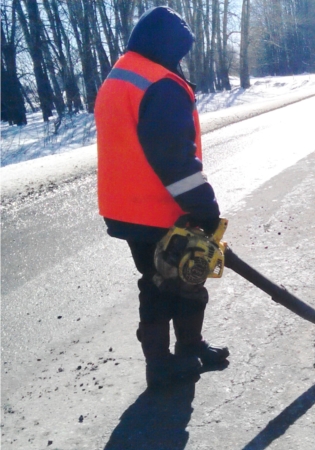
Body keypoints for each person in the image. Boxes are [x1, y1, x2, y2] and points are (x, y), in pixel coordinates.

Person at [95, 7, 229, 389]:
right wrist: (204, 206)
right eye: (179, 53)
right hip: (158, 208)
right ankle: (164, 364)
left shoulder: (120, 76)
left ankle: (187, 348)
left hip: (125, 205)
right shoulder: (160, 83)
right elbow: (173, 156)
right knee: (181, 278)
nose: (180, 62)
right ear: (167, 48)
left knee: (162, 279)